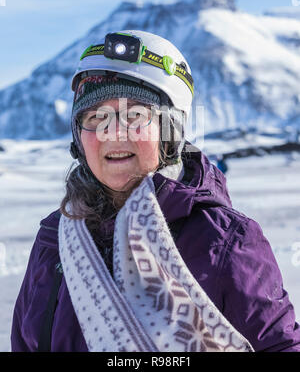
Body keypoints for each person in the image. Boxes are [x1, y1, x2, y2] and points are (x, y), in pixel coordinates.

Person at [11, 31, 300, 352]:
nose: (112, 132)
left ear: (169, 131)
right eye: (95, 117)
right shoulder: (54, 237)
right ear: (79, 139)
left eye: (135, 115)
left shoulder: (226, 240)